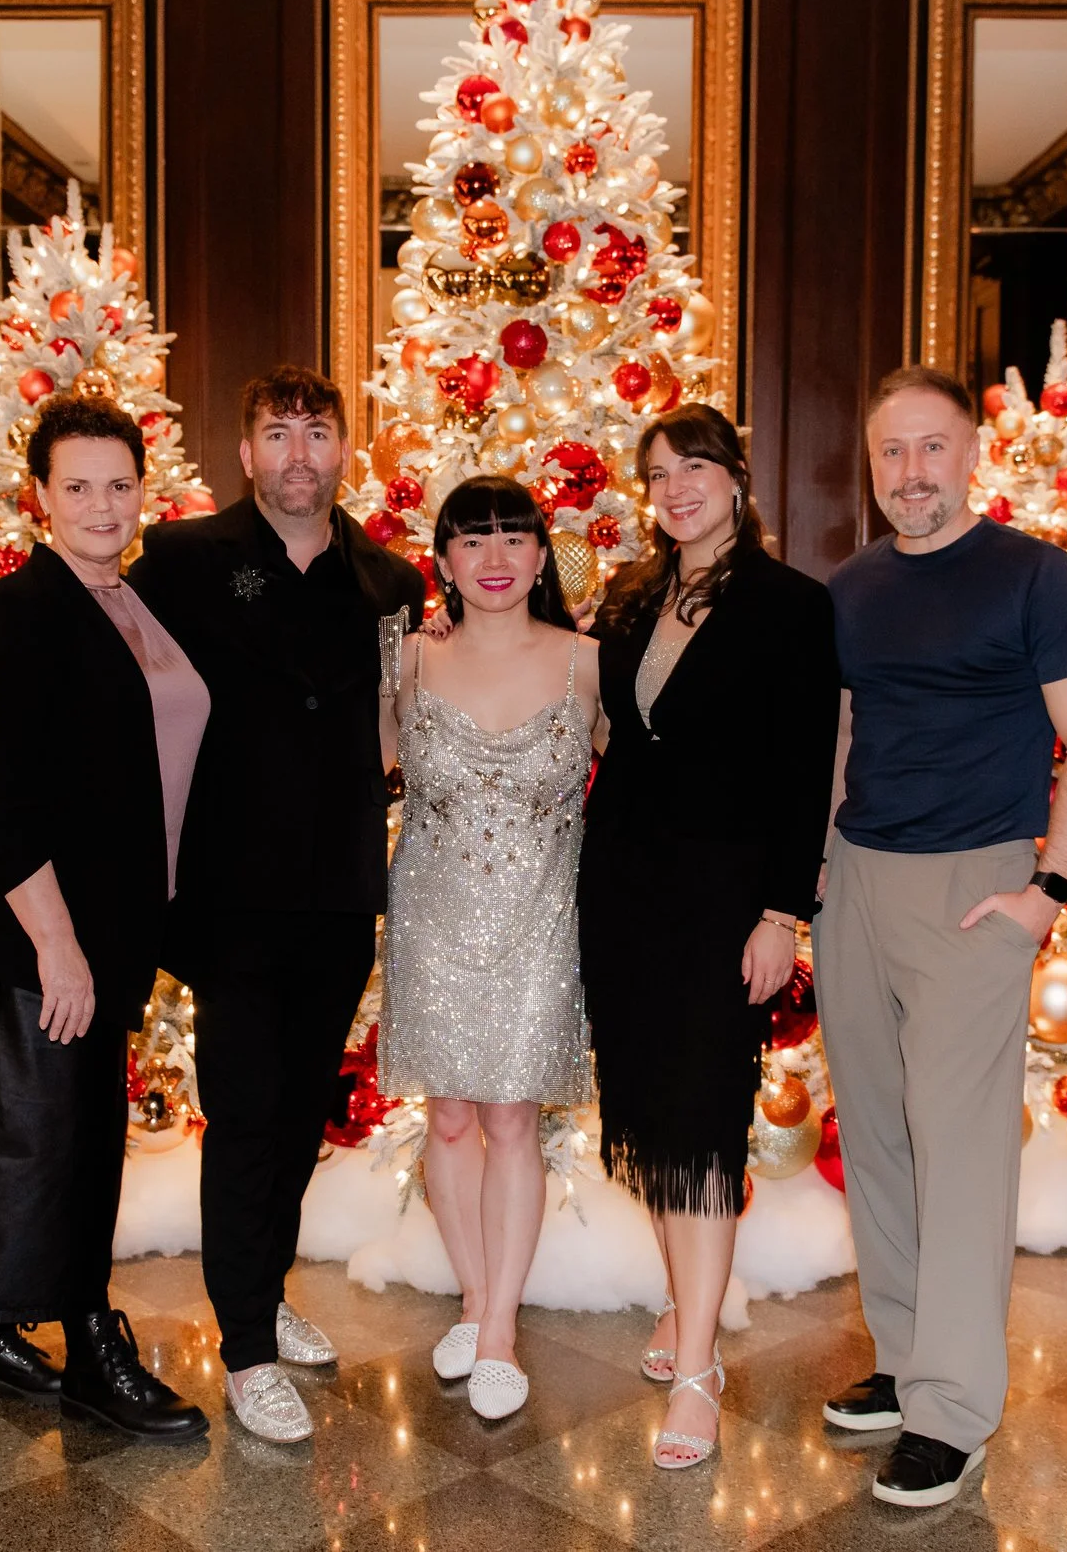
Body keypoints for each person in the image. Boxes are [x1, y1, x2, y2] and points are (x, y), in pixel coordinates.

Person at [816, 365, 1067, 1507]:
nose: (910, 473)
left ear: (971, 454)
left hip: (976, 888)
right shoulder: (850, 587)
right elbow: (846, 731)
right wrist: (815, 875)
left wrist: (1046, 888)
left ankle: (952, 1412)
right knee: (882, 1141)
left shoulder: (1039, 578)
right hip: (858, 878)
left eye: (930, 448)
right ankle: (902, 1359)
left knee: (961, 1152)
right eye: (890, 452)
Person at [130, 366, 427, 1444]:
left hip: (341, 889)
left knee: (303, 1114)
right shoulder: (181, 561)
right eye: (277, 433)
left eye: (318, 431)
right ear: (245, 452)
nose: (299, 452)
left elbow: (397, 721)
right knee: (247, 1113)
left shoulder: (392, 582)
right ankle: (245, 1344)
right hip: (226, 889)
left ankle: (264, 1285)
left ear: (346, 447)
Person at [0, 394, 211, 1443]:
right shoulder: (19, 612)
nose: (102, 504)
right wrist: (57, 944)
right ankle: (92, 1344)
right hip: (33, 932)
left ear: (145, 488)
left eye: (119, 483)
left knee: (61, 1138)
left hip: (110, 929)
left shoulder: (132, 604)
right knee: (40, 1142)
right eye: (78, 485)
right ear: (39, 496)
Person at [578, 405, 839, 1469]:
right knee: (647, 1112)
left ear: (737, 476)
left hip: (726, 904)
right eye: (656, 472)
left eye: (694, 465)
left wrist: (784, 913)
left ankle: (697, 1368)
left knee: (705, 1117)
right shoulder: (632, 596)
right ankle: (692, 1305)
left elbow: (807, 768)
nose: (674, 485)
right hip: (622, 892)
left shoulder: (791, 605)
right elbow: (598, 728)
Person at [380, 475, 600, 1423]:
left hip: (541, 915)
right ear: (444, 561)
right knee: (453, 1119)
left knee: (512, 1119)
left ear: (544, 557)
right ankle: (474, 1297)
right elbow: (373, 764)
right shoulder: (408, 662)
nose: (497, 557)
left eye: (516, 538)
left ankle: (499, 1327)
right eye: (474, 540)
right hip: (433, 911)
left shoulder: (589, 660)